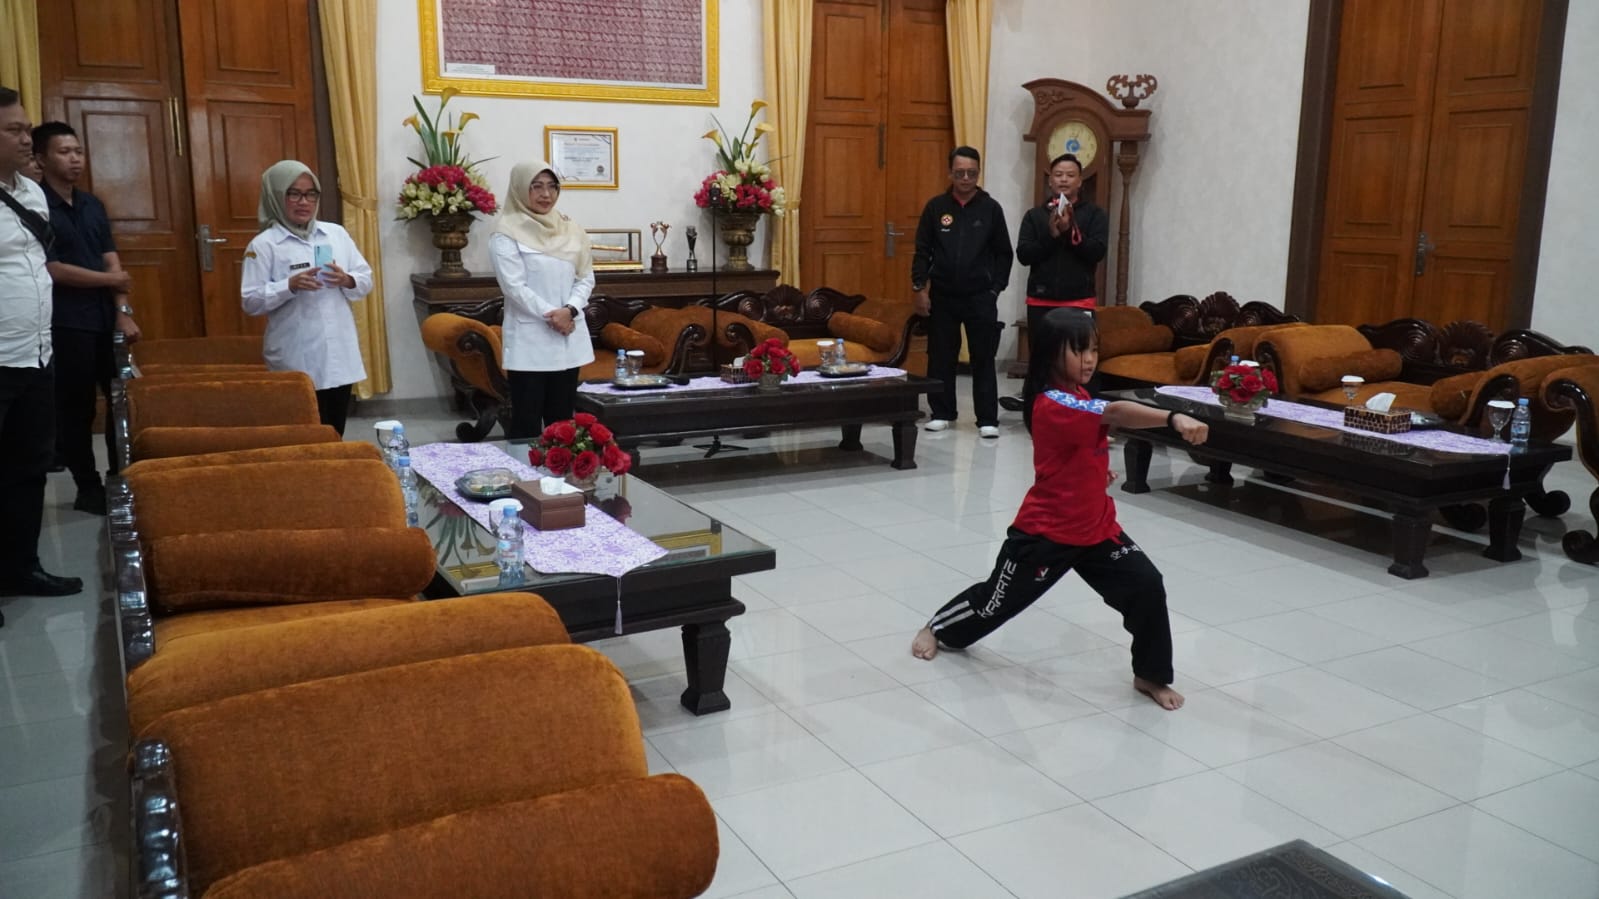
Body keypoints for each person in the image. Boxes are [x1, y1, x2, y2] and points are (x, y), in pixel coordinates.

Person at [910, 308, 1208, 710]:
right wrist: (1172, 418)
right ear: (1051, 353)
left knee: (1146, 586)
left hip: (1096, 527)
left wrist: (1094, 476)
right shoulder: (1053, 403)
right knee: (994, 603)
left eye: (1094, 350)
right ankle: (938, 628)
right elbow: (1114, 413)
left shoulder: (1079, 394)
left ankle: (1150, 675)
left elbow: (1078, 449)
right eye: (1079, 350)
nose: (1089, 359)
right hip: (1045, 534)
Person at [0, 86, 84, 604]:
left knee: (28, 467)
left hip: (36, 354)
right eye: (14, 130)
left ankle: (19, 568)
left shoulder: (31, 193)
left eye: (26, 128)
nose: (26, 138)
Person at [34, 121, 140, 515]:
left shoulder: (92, 204)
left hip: (104, 319)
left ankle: (120, 476)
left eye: (78, 151)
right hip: (66, 321)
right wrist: (111, 279)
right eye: (64, 152)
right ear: (42, 159)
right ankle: (87, 485)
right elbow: (54, 269)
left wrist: (123, 311)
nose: (75, 159)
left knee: (119, 402)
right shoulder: (36, 206)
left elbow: (112, 258)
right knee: (76, 408)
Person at [241, 160, 372, 436]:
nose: (304, 202)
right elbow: (250, 301)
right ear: (276, 197)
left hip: (338, 354)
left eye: (311, 193)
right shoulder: (263, 245)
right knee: (303, 432)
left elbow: (365, 279)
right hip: (295, 354)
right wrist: (288, 286)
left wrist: (346, 279)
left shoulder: (335, 234)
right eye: (294, 193)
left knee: (334, 429)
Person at [911, 146, 1014, 438]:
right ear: (950, 173)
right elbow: (922, 251)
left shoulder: (991, 209)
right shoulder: (935, 208)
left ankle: (987, 419)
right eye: (960, 173)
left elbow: (1004, 253)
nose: (966, 178)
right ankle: (942, 412)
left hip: (981, 296)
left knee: (983, 357)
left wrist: (996, 288)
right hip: (943, 295)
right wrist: (919, 287)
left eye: (971, 173)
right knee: (941, 355)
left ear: (978, 173)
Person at [489, 160, 595, 440]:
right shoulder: (506, 233)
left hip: (567, 336)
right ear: (520, 189)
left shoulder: (571, 228)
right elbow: (514, 286)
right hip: (531, 341)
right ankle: (526, 480)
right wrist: (555, 315)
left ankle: (559, 479)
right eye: (536, 186)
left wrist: (570, 310)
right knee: (526, 421)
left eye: (551, 186)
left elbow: (585, 277)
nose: (545, 194)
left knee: (563, 421)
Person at [1001, 152, 1108, 412]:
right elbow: (1025, 255)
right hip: (1041, 299)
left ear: (1080, 181)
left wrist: (1071, 231)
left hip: (1078, 298)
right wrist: (1052, 235)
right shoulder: (1035, 215)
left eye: (1070, 175)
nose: (1064, 180)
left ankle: (1087, 411)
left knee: (1081, 357)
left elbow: (1097, 252)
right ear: (1050, 181)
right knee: (1041, 359)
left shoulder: (1094, 215)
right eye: (1058, 175)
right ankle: (1036, 409)